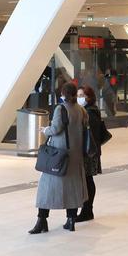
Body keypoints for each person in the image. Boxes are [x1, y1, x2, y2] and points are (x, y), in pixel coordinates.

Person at [29, 82, 88, 234]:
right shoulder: (81, 110)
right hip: (75, 155)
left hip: (59, 155)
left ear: (63, 94)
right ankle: (70, 220)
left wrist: (45, 130)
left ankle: (42, 221)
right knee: (73, 188)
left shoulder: (60, 108)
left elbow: (55, 129)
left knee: (46, 188)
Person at [78, 85, 109, 222]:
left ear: (89, 98)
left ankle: (87, 210)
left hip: (89, 152)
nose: (78, 98)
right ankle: (87, 209)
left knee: (88, 180)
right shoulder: (88, 111)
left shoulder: (90, 112)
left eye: (81, 96)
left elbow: (91, 134)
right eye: (77, 96)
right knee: (87, 180)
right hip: (89, 151)